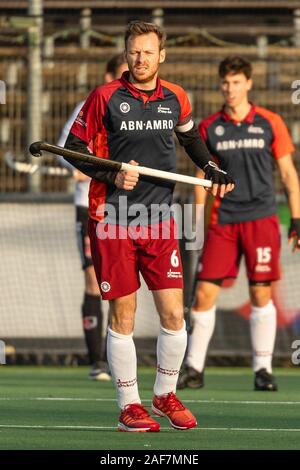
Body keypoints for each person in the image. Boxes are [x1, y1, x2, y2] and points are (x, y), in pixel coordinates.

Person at [63, 21, 234, 432]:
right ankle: (129, 406)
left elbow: (190, 139)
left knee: (175, 313)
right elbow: (73, 149)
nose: (140, 59)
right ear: (126, 54)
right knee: (123, 313)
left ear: (161, 56)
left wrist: (210, 166)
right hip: (113, 219)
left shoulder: (175, 97)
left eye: (147, 52)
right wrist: (111, 177)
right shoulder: (104, 97)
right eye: (133, 51)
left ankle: (164, 394)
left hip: (159, 220)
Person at [178, 55, 300, 392]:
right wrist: (197, 225)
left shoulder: (270, 122)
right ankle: (194, 368)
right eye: (225, 83)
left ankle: (263, 370)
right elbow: (201, 180)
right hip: (223, 220)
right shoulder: (209, 127)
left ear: (248, 83)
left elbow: (289, 175)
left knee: (261, 294)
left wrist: (297, 219)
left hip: (260, 219)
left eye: (236, 82)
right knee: (203, 294)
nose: (230, 89)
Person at [57, 54, 128, 381]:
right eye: (121, 75)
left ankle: (118, 355)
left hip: (125, 206)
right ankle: (97, 360)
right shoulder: (91, 105)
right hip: (89, 205)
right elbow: (65, 151)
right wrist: (85, 169)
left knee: (120, 282)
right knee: (91, 278)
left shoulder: (138, 109)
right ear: (107, 75)